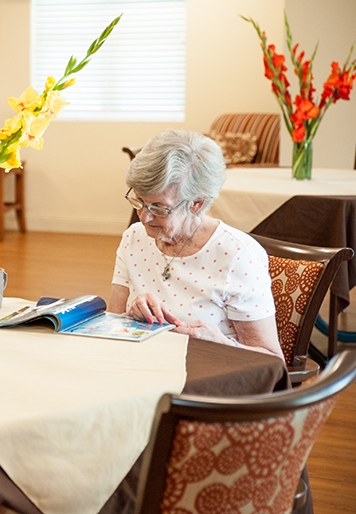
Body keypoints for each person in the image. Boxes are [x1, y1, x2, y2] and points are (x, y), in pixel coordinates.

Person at [110, 129, 284, 360]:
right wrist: (129, 315)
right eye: (139, 201)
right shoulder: (134, 238)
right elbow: (110, 326)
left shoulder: (237, 255)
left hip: (209, 381)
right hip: (142, 369)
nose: (144, 217)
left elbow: (272, 360)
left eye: (159, 208)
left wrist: (219, 343)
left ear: (197, 203)